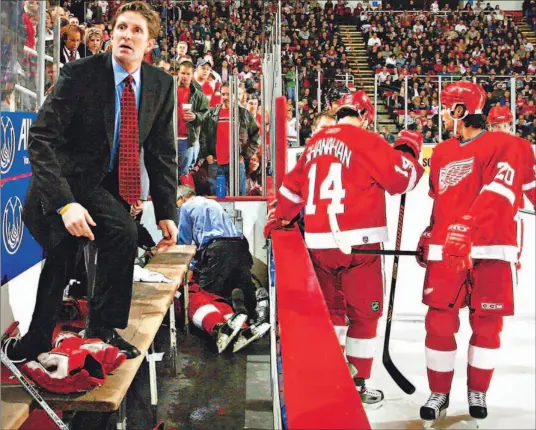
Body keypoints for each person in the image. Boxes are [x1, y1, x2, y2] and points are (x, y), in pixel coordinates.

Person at [4, 1, 178, 362]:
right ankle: (40, 340)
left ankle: (99, 331)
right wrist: (65, 203)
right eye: (121, 27)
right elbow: (40, 139)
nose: (126, 35)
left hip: (107, 188)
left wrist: (166, 209)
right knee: (73, 246)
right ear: (111, 33)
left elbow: (161, 151)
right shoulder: (80, 74)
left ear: (149, 45)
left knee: (118, 237)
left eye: (136, 31)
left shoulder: (161, 84)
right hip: (63, 184)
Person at [264, 91, 424, 406]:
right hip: (361, 246)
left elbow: (290, 192)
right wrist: (407, 150)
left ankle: (329, 375)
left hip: (319, 244)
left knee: (332, 312)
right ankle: (359, 382)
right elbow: (402, 180)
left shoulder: (314, 144)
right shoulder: (368, 141)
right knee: (364, 317)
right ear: (365, 116)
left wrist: (278, 218)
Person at [416, 81, 536, 424]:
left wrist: (466, 226)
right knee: (438, 323)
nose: (441, 115)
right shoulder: (440, 152)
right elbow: (440, 198)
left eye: (444, 108)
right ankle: (439, 392)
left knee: (487, 326)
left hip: (492, 247)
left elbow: (515, 191)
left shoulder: (510, 146)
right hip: (445, 249)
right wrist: (430, 230)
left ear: (458, 111)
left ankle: (477, 390)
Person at [176, 185, 259, 318]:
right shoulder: (211, 202)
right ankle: (253, 318)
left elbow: (183, 242)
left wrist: (187, 267)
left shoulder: (185, 207)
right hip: (240, 245)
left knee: (205, 295)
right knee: (243, 285)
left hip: (218, 249)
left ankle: (219, 325)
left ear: (182, 198)